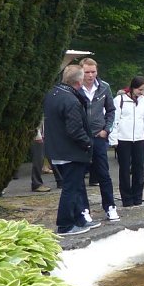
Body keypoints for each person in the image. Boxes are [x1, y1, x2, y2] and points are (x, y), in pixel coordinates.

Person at [43, 64, 99, 235]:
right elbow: (75, 130)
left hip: (57, 149)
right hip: (71, 151)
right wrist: (88, 143)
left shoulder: (53, 94)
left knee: (75, 187)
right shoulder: (71, 100)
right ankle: (65, 225)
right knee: (71, 188)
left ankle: (79, 219)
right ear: (79, 80)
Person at [79, 57, 119, 222]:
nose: (90, 75)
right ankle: (83, 209)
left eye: (93, 71)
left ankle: (110, 207)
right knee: (79, 175)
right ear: (81, 72)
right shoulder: (75, 88)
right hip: (80, 138)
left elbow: (111, 110)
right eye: (87, 72)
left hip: (99, 137)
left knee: (103, 174)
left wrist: (107, 129)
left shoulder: (104, 87)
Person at [109, 76, 144, 207]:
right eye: (140, 89)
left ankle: (137, 196)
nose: (142, 92)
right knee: (124, 169)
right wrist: (114, 139)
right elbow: (114, 120)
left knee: (139, 168)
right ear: (133, 88)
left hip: (139, 139)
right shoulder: (119, 100)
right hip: (123, 139)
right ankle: (126, 198)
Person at [30, 120, 51, 193]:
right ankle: (36, 184)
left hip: (38, 133)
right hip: (36, 134)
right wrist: (38, 135)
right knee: (38, 159)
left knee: (39, 158)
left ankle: (37, 183)